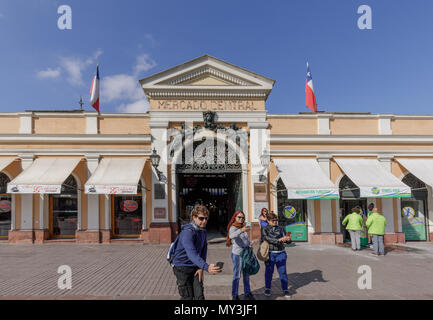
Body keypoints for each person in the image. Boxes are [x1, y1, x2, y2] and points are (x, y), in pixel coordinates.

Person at [171, 204, 222, 300]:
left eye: (206, 218)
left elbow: (203, 249)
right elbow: (192, 254)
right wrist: (206, 267)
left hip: (195, 266)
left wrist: (200, 268)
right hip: (182, 267)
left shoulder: (202, 230)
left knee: (199, 296)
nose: (204, 221)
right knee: (187, 296)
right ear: (194, 217)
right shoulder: (187, 233)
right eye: (201, 218)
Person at [226, 210, 256, 300]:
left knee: (246, 274)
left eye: (243, 217)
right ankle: (234, 295)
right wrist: (241, 230)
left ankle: (247, 292)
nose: (241, 219)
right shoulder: (233, 227)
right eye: (239, 217)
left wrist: (250, 243)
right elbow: (231, 236)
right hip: (237, 254)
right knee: (237, 275)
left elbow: (245, 240)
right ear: (235, 217)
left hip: (246, 253)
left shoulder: (244, 227)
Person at [261, 212, 291, 298]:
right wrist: (279, 240)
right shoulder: (265, 229)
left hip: (281, 253)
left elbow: (287, 242)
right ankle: (267, 288)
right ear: (268, 220)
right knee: (269, 272)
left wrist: (288, 239)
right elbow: (266, 238)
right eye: (273, 220)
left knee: (282, 272)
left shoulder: (281, 228)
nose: (275, 222)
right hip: (270, 253)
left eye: (276, 220)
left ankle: (285, 289)